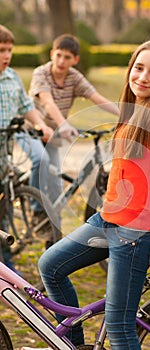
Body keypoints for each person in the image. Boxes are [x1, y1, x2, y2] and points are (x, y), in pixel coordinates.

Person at [21, 38, 150, 350]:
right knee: (50, 266)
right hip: (108, 219)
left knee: (118, 326)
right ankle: (73, 345)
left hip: (137, 233)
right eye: (139, 68)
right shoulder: (135, 109)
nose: (143, 77)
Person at [16, 33, 119, 222]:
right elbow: (47, 103)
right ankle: (37, 211)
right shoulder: (42, 73)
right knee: (42, 160)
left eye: (67, 57)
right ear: (52, 54)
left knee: (56, 184)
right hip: (31, 129)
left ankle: (52, 226)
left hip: (53, 135)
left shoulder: (74, 77)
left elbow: (97, 99)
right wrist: (64, 125)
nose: (62, 61)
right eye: (59, 55)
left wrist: (124, 115)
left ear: (75, 60)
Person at [0, 25, 53, 270]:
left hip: (7, 149)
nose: (6, 56)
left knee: (6, 202)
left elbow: (25, 106)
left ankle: (5, 256)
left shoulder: (12, 77)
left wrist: (40, 124)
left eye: (9, 50)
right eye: (2, 50)